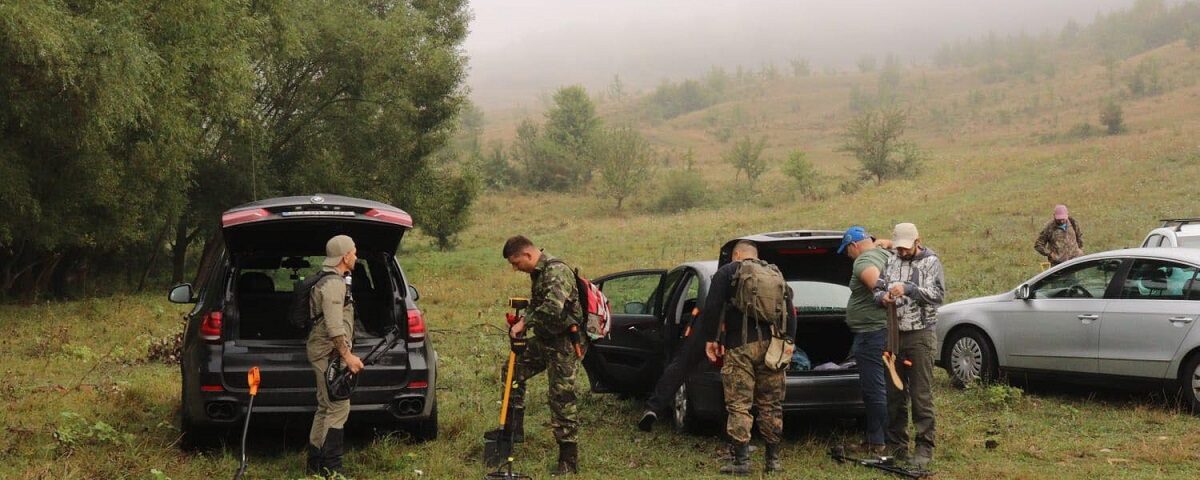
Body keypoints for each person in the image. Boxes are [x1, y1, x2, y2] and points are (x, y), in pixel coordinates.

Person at [698, 240, 796, 475]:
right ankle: (773, 461)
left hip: (739, 347)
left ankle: (742, 461)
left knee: (739, 404)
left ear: (737, 254)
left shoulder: (728, 272)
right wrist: (789, 341)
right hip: (772, 346)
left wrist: (711, 339)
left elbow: (712, 306)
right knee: (770, 404)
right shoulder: (773, 273)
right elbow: (790, 311)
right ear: (756, 255)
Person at [489, 235, 584, 475]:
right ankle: (513, 430)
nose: (515, 268)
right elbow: (537, 304)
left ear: (528, 254)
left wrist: (525, 323)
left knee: (561, 396)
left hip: (563, 343)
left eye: (516, 262)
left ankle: (568, 459)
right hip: (544, 339)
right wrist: (521, 321)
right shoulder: (539, 273)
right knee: (512, 370)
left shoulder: (556, 271)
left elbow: (553, 308)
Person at [877, 223, 944, 468]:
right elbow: (877, 288)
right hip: (894, 334)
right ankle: (896, 445)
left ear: (917, 241)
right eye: (899, 248)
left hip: (920, 334)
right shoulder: (890, 260)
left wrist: (909, 289)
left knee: (920, 394)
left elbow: (938, 295)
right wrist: (882, 297)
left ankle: (924, 447)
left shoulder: (931, 262)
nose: (902, 252)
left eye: (906, 248)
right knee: (894, 394)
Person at [306, 235, 364, 477]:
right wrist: (348, 357)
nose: (356, 257)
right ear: (345, 256)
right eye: (354, 252)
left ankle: (315, 464)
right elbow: (334, 328)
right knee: (338, 406)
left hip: (327, 352)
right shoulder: (333, 285)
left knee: (325, 406)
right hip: (327, 353)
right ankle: (332, 468)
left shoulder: (334, 281)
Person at [838, 226, 891, 456]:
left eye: (846, 250)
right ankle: (889, 436)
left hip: (871, 334)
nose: (847, 255)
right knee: (887, 385)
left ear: (854, 245)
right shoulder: (885, 253)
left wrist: (885, 295)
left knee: (873, 388)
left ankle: (878, 441)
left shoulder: (863, 261)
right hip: (886, 330)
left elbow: (878, 286)